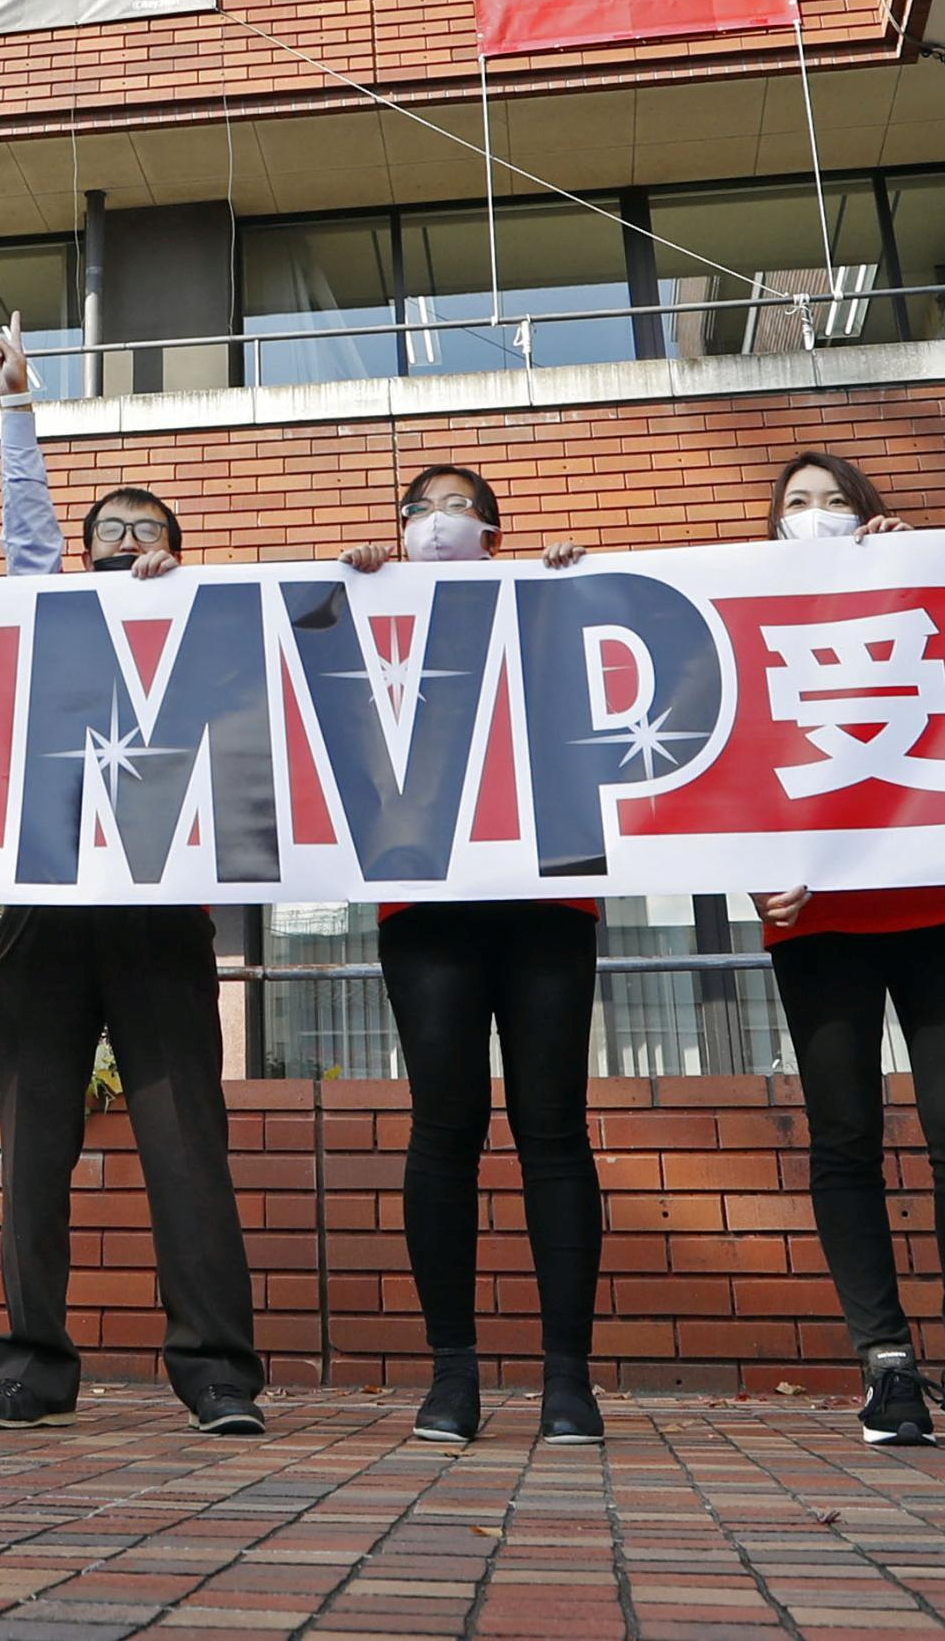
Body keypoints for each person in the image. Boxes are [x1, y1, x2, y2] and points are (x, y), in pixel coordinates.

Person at [0, 324, 266, 1438]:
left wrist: (190, 598)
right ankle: (29, 1367)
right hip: (44, 910)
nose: (121, 542)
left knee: (186, 1150)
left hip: (158, 914)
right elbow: (27, 531)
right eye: (106, 531)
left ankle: (218, 1373)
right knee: (34, 1151)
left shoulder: (213, 629)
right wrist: (20, 408)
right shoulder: (49, 609)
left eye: (144, 531)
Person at [744, 450, 945, 1449]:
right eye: (796, 506)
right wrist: (750, 872)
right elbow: (728, 768)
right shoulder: (754, 620)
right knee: (844, 1136)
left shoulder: (921, 587)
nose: (816, 518)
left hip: (942, 902)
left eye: (836, 502)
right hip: (814, 918)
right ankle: (887, 1362)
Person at [340, 466, 603, 1446]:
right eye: (419, 507)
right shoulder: (373, 608)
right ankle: (452, 1374)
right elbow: (303, 680)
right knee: (443, 1127)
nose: (436, 520)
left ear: (494, 526)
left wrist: (578, 585)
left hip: (547, 889)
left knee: (553, 1130)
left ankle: (568, 1380)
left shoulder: (543, 596)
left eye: (456, 505)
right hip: (426, 896)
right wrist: (347, 591)